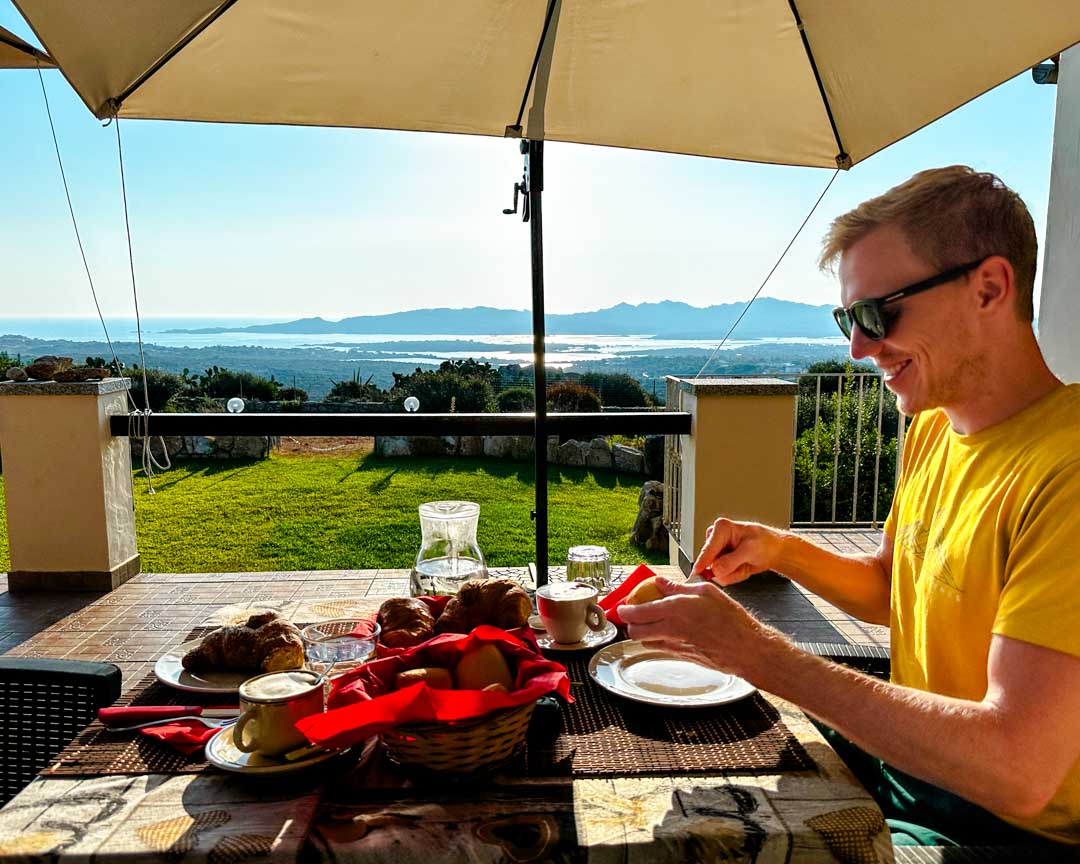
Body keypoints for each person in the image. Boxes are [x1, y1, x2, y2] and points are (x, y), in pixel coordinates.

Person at [619, 166, 1080, 848]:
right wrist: (779, 548)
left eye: (877, 313)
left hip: (1000, 834)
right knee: (685, 766)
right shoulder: (935, 426)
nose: (858, 348)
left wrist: (758, 653)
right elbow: (895, 587)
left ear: (989, 287)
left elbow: (1019, 769)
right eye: (847, 319)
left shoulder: (1065, 470)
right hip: (913, 773)